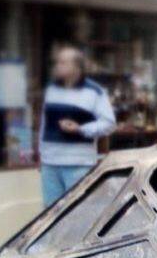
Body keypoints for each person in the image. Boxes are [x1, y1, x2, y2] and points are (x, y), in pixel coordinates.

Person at [39, 44, 116, 207]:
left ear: (76, 67)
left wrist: (81, 129)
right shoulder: (52, 89)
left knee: (77, 212)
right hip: (50, 164)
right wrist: (41, 155)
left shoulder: (94, 92)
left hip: (78, 164)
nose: (57, 66)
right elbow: (44, 124)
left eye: (63, 63)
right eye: (57, 62)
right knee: (49, 216)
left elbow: (109, 124)